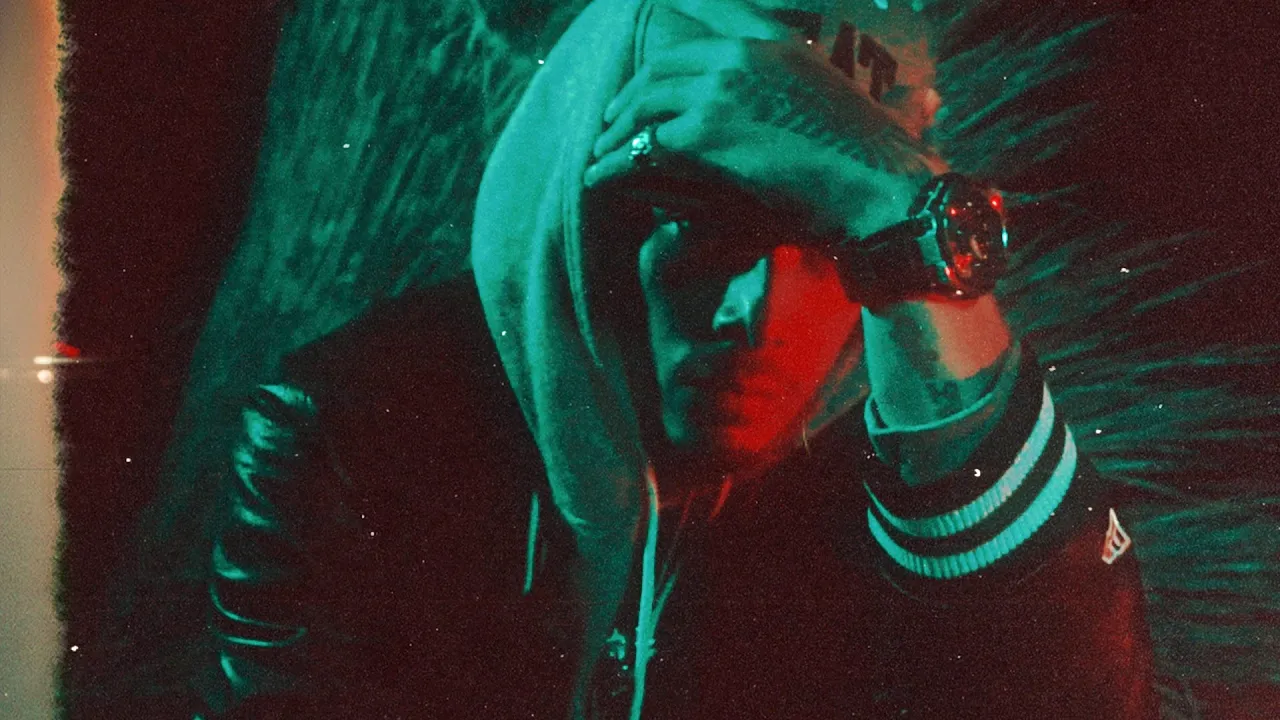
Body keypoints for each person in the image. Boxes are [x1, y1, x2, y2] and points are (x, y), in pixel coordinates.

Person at [194, 0, 1157, 717]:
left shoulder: (892, 482)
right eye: (707, 227)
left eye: (829, 246)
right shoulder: (355, 433)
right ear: (594, 225)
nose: (754, 313)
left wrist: (903, 200)